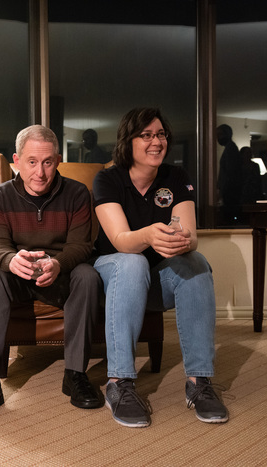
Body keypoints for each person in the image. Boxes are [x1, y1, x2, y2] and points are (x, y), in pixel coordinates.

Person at [92, 107, 228, 428]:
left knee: (196, 262)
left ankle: (199, 382)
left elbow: (191, 237)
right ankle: (119, 382)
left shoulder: (175, 177)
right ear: (128, 141)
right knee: (133, 260)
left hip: (155, 280)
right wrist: (150, 235)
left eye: (161, 134)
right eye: (146, 135)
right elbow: (121, 240)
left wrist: (181, 242)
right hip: (114, 277)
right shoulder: (108, 179)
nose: (156, 142)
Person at [0, 124, 104, 423]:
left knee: (88, 276)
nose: (40, 172)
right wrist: (11, 260)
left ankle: (75, 374)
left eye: (48, 162)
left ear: (58, 160)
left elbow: (81, 246)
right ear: (17, 161)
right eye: (32, 162)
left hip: (62, 274)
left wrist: (58, 263)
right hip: (18, 276)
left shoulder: (77, 193)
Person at [216, 124, 242, 224]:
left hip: (230, 191)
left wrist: (223, 189)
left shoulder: (231, 149)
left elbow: (230, 172)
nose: (218, 138)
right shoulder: (229, 148)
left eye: (220, 134)